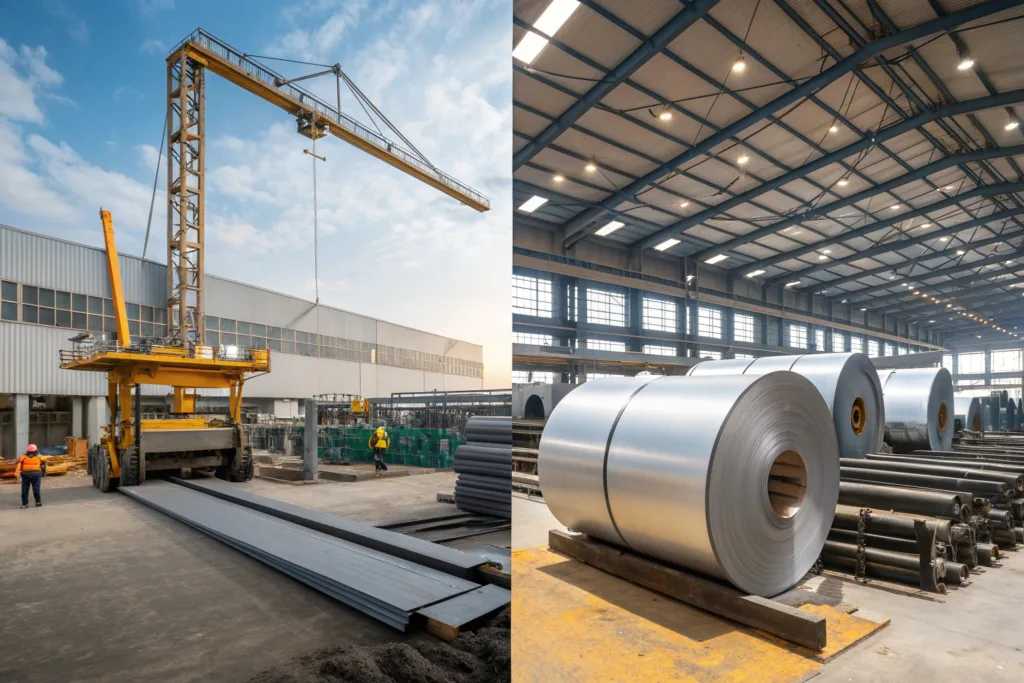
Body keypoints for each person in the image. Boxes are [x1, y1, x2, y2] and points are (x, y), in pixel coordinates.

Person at [15, 444, 46, 509]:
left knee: (25, 489)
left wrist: (18, 473)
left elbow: (18, 463)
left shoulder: (23, 457)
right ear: (36, 450)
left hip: (25, 475)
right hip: (36, 475)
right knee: (36, 489)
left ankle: (25, 504)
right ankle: (38, 502)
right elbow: (43, 465)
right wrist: (43, 473)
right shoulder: (39, 457)